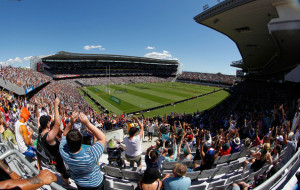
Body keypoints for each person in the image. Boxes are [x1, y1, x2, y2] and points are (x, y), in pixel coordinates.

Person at [59, 112, 106, 190]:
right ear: (81, 141)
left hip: (80, 184)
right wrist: (87, 123)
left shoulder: (64, 152)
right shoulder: (91, 155)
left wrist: (71, 122)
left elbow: (64, 134)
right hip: (96, 184)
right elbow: (102, 138)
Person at [38, 98, 70, 186]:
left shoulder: (40, 131)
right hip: (58, 159)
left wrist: (37, 106)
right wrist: (55, 105)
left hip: (53, 157)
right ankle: (66, 185)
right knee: (64, 173)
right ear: (48, 124)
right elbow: (57, 124)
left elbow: (37, 117)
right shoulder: (49, 137)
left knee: (61, 171)